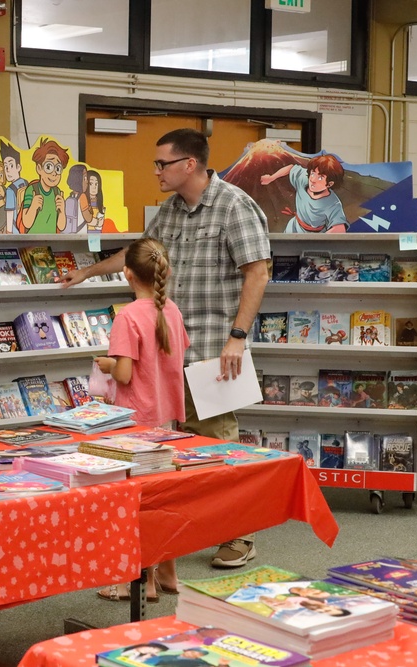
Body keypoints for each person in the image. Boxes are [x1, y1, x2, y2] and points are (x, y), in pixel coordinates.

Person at [61, 128, 271, 569]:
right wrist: (89, 272)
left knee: (217, 440)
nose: (156, 171)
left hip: (216, 347)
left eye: (162, 164)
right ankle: (196, 526)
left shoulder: (234, 206)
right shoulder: (170, 212)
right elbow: (140, 256)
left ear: (189, 165)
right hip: (169, 349)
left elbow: (258, 273)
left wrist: (238, 337)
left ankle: (240, 535)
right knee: (179, 441)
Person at [93, 238, 189, 603]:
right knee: (161, 497)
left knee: (130, 501)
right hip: (166, 423)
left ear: (127, 273)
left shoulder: (128, 317)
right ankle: (166, 572)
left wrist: (105, 364)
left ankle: (133, 580)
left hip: (134, 423)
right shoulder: (172, 311)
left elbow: (124, 375)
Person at [260, 154, 347, 233]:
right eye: (313, 173)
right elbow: (291, 168)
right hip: (293, 228)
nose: (313, 180)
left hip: (313, 237)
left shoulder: (333, 203)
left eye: (320, 177)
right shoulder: (303, 180)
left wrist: (319, 241)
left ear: (330, 184)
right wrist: (271, 178)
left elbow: (339, 228)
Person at [0, 140, 28, 233]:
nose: (7, 170)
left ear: (18, 167)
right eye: (5, 166)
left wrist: (8, 232)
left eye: (11, 165)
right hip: (26, 229)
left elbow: (10, 212)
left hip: (16, 231)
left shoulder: (10, 190)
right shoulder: (26, 183)